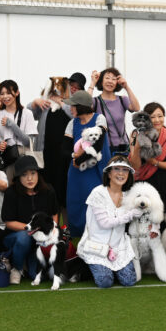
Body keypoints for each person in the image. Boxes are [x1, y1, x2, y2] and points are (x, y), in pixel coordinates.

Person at [76, 154, 138, 288]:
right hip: (96, 248)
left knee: (129, 281)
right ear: (109, 173)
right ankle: (89, 266)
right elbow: (105, 223)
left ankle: (110, 269)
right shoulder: (98, 193)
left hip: (119, 248)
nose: (121, 173)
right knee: (105, 282)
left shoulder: (129, 195)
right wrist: (130, 215)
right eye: (117, 169)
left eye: (125, 170)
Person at [31, 72, 85, 210]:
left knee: (62, 186)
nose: (57, 90)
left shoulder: (71, 104)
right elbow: (30, 113)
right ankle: (47, 215)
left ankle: (63, 217)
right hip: (45, 151)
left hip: (64, 153)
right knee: (46, 184)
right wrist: (36, 102)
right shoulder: (46, 102)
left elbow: (75, 115)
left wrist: (61, 102)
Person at [0, 155, 59, 284]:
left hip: (41, 239)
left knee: (35, 275)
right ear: (18, 177)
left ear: (38, 174)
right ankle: (17, 268)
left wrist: (53, 230)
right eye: (24, 174)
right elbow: (8, 222)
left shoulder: (48, 190)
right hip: (16, 237)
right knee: (24, 237)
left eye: (33, 173)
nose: (30, 178)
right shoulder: (11, 192)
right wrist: (34, 229)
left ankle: (28, 263)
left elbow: (54, 214)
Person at [64, 90, 110, 237]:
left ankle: (97, 237)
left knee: (96, 203)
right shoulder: (72, 123)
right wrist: (74, 158)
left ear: (81, 106)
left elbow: (98, 144)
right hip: (77, 171)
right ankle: (77, 239)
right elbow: (64, 148)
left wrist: (78, 160)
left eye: (73, 106)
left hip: (96, 169)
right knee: (76, 202)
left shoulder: (99, 119)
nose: (70, 108)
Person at [128, 102, 166, 214]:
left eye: (160, 116)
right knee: (140, 214)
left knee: (160, 214)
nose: (157, 120)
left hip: (161, 180)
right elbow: (135, 165)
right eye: (152, 117)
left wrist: (154, 162)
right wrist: (138, 146)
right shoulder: (136, 134)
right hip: (141, 181)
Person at [0, 79, 38, 173]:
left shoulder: (27, 113)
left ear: (17, 92)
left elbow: (28, 142)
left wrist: (12, 125)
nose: (5, 96)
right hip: (7, 158)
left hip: (24, 157)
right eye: (2, 94)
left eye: (8, 93)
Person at [88, 67, 140, 154]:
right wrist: (93, 82)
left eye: (113, 79)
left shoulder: (122, 99)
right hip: (104, 148)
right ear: (101, 81)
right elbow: (85, 106)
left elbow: (136, 108)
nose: (110, 81)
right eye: (107, 78)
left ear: (117, 83)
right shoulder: (96, 101)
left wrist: (126, 87)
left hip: (123, 147)